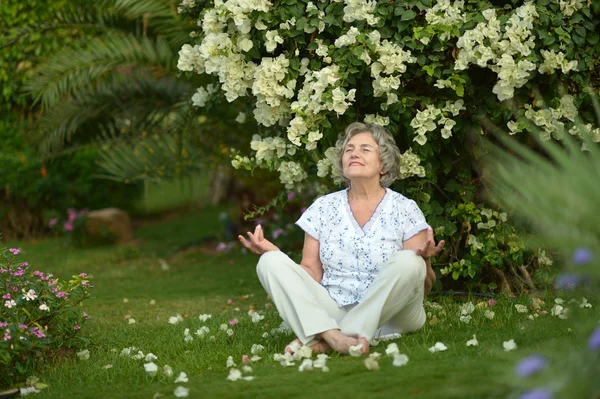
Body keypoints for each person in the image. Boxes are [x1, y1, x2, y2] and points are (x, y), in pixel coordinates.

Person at [238, 122, 445, 355]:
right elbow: (311, 272)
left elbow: (423, 287)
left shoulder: (405, 209)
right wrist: (275, 254)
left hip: (394, 316)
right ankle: (337, 338)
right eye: (349, 149)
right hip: (335, 308)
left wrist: (424, 262)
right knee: (269, 261)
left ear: (383, 165)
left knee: (410, 261)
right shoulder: (323, 207)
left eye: (365, 149)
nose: (354, 153)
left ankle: (326, 336)